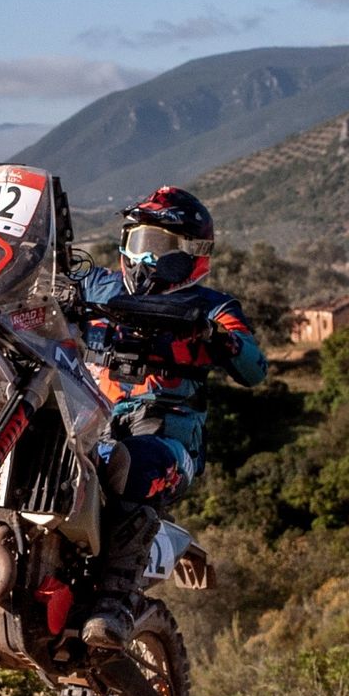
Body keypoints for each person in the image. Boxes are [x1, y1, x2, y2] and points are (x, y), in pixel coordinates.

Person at [76, 186, 267, 646]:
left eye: (159, 248)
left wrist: (216, 338)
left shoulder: (211, 306)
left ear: (190, 254)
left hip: (168, 438)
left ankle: (114, 604)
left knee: (134, 465)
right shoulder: (98, 285)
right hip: (85, 421)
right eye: (140, 243)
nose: (145, 260)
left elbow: (254, 367)